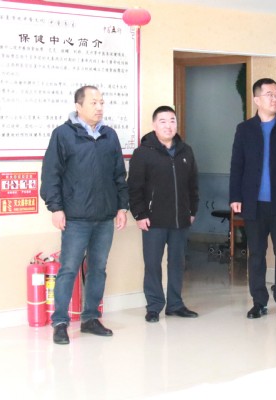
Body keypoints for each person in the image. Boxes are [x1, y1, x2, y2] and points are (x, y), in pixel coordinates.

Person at [41, 85, 129, 345]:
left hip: (104, 217)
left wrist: (122, 207)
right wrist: (56, 208)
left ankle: (91, 318)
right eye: (93, 102)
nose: (99, 107)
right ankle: (60, 322)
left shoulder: (109, 135)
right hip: (75, 217)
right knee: (68, 269)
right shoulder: (63, 134)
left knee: (98, 269)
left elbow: (119, 174)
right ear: (78, 106)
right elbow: (51, 174)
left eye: (102, 102)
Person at [229, 78, 276, 320]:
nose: (275, 99)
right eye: (270, 94)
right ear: (257, 100)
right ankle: (258, 302)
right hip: (253, 203)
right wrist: (235, 196)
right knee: (256, 254)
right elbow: (237, 164)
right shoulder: (244, 129)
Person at [128, 106, 199, 323]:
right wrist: (139, 214)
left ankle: (175, 304)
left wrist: (192, 210)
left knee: (177, 263)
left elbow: (193, 184)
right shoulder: (143, 153)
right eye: (163, 121)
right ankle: (154, 306)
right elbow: (134, 187)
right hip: (153, 220)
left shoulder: (186, 151)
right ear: (154, 125)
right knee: (152, 264)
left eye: (172, 121)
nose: (168, 126)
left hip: (180, 219)